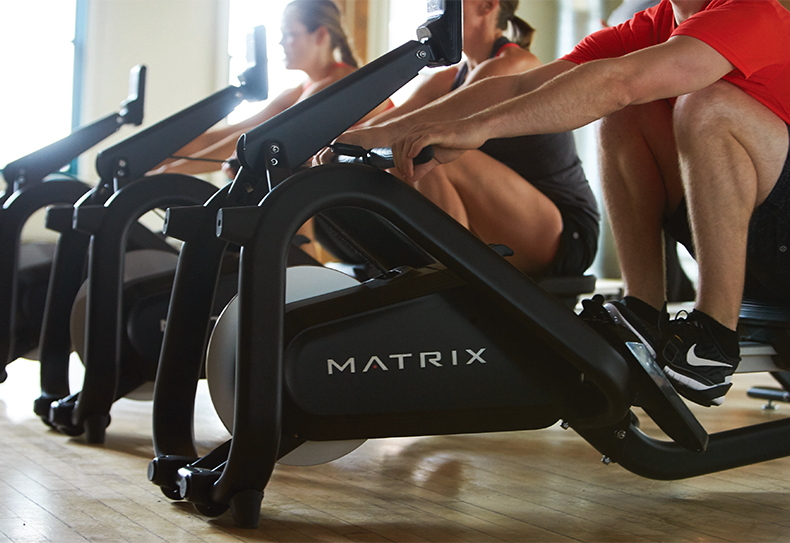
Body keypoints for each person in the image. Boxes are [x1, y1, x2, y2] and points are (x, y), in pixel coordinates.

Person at [379, 0, 790, 407]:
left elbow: (619, 82)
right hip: (743, 233)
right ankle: (642, 312)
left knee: (703, 106)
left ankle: (714, 338)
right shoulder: (655, 24)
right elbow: (523, 86)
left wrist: (478, 128)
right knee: (623, 112)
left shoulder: (754, 10)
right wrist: (368, 135)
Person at [319, 0, 599, 277]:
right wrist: (326, 145)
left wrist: (362, 139)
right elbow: (387, 123)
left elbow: (428, 123)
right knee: (402, 151)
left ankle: (451, 280)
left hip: (565, 234)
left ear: (487, 6)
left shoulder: (514, 64)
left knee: (428, 147)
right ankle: (429, 271)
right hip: (506, 220)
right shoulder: (450, 78)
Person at [155, 0, 391, 177]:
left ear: (320, 35)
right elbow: (237, 132)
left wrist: (171, 172)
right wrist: (158, 159)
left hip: (379, 189)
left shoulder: (338, 83)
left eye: (290, 34)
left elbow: (261, 137)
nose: (280, 42)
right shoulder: (299, 90)